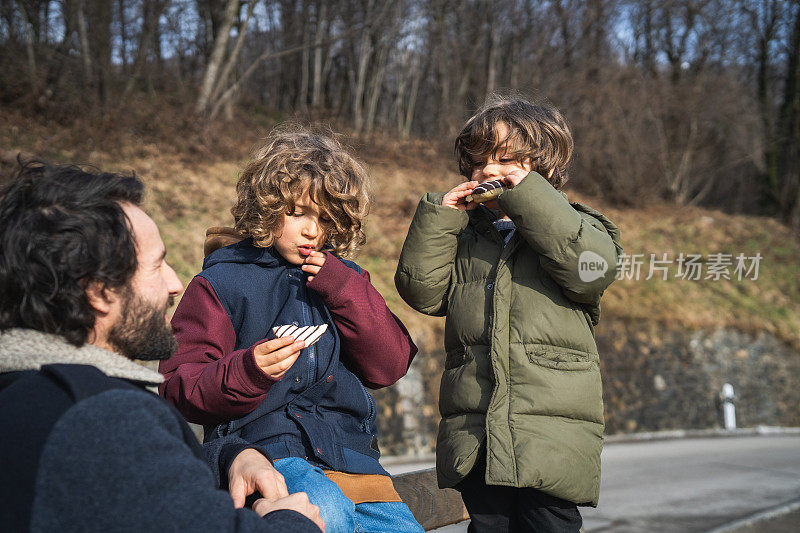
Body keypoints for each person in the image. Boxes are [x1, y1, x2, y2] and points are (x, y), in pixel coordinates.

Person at [0, 162, 324, 532]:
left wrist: (228, 457)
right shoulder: (101, 414)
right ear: (98, 291)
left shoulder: (29, 395)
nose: (174, 284)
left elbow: (130, 491)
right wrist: (291, 523)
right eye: (156, 267)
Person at [159, 129, 424, 533]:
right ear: (267, 209)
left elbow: (389, 366)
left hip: (355, 462)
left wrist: (347, 291)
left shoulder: (346, 280)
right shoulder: (222, 283)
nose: (312, 231)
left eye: (326, 218)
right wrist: (246, 371)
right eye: (298, 212)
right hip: (270, 457)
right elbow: (178, 387)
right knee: (326, 516)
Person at [394, 96, 623, 532]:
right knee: (489, 523)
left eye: (506, 158)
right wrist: (441, 218)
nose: (489, 171)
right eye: (480, 162)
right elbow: (422, 292)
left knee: (548, 523)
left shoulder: (578, 225)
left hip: (551, 428)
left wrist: (529, 196)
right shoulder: (467, 238)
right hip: (478, 427)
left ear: (545, 165)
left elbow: (589, 270)